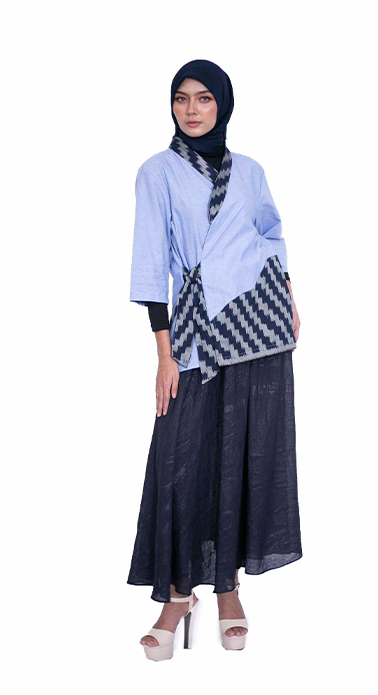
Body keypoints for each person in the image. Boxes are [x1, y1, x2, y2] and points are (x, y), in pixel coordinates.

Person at [127, 59, 302, 661]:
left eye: (204, 98)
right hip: (196, 331)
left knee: (242, 455)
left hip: (259, 326)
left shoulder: (249, 171)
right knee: (180, 459)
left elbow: (271, 234)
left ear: (222, 105)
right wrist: (164, 353)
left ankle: (227, 588)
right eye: (182, 98)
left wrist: (288, 295)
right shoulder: (156, 172)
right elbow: (151, 261)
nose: (192, 109)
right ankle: (178, 595)